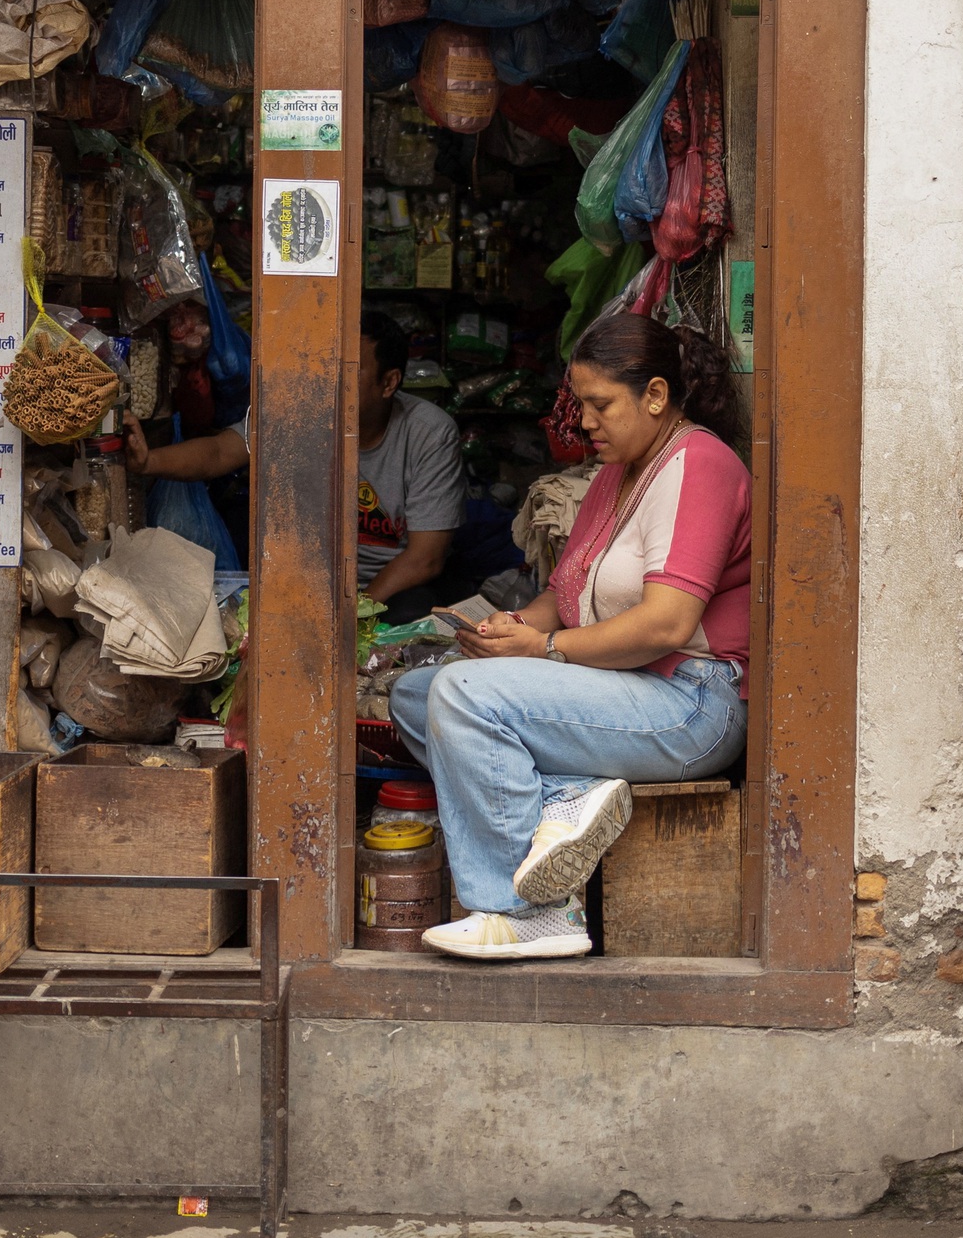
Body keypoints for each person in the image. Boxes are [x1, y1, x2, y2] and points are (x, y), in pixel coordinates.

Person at [390, 314, 752, 961]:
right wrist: (514, 630)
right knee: (416, 695)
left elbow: (666, 624)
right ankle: (571, 795)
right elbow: (564, 597)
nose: (583, 421)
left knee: (465, 697)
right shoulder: (618, 471)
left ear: (657, 396)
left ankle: (528, 911)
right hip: (622, 689)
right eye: (580, 404)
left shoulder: (700, 465)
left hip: (690, 703)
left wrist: (544, 651)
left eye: (599, 404)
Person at [126, 310, 466, 618]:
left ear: (389, 382)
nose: (332, 382)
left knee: (418, 607)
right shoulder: (304, 408)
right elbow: (219, 452)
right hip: (313, 582)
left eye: (349, 371)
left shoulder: (428, 434)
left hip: (388, 589)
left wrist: (353, 614)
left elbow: (425, 558)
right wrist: (148, 461)